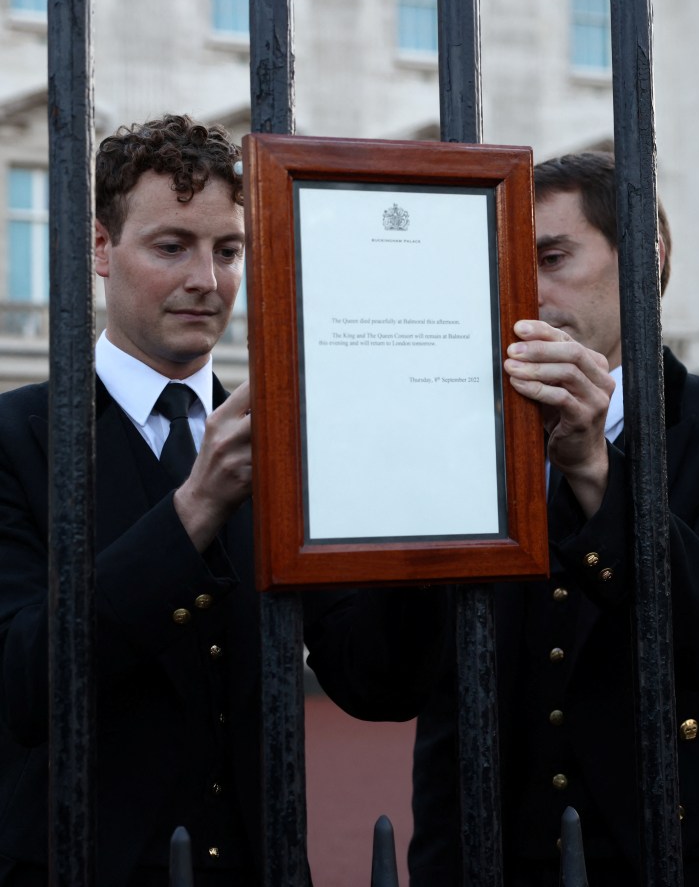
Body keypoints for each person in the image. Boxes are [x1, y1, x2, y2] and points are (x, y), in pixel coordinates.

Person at [0, 114, 443, 887]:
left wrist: (420, 511)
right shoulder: (16, 436)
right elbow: (23, 683)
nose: (207, 279)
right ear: (101, 250)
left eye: (228, 250)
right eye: (172, 246)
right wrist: (194, 510)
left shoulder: (289, 436)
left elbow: (375, 683)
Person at [406, 151, 699, 886]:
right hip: (489, 852)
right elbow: (387, 674)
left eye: (553, 256)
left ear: (644, 258)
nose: (525, 287)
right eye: (507, 263)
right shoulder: (453, 431)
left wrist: (596, 468)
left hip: (673, 851)